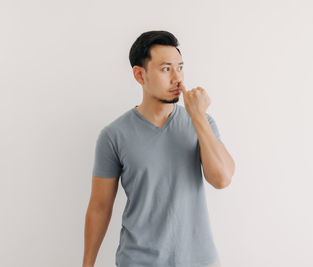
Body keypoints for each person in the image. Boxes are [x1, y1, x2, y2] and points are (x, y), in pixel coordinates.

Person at [82, 30, 235, 267]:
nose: (178, 78)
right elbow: (100, 208)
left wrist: (198, 117)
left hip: (199, 260)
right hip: (138, 261)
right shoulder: (113, 135)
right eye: (166, 69)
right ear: (140, 75)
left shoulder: (201, 122)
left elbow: (222, 178)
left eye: (180, 67)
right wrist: (87, 264)